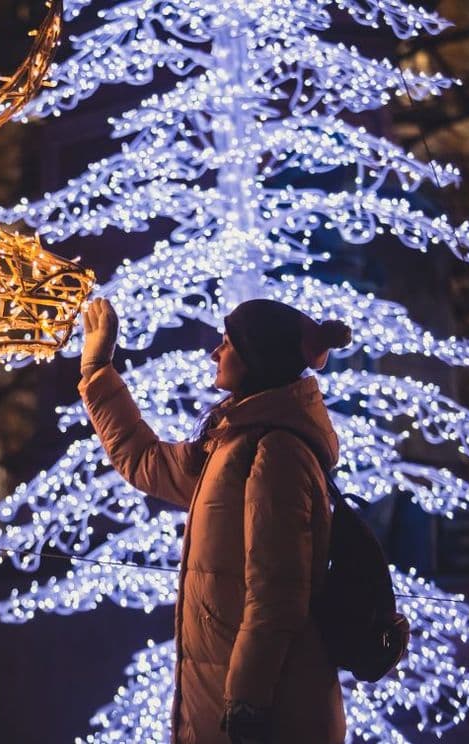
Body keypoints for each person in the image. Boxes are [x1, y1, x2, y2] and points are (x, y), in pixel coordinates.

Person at [79, 297, 352, 744]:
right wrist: (97, 369)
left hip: (262, 718)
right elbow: (145, 460)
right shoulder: (232, 446)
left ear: (257, 358)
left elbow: (276, 593)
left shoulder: (277, 453)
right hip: (226, 706)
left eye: (227, 343)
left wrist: (246, 704)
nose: (215, 352)